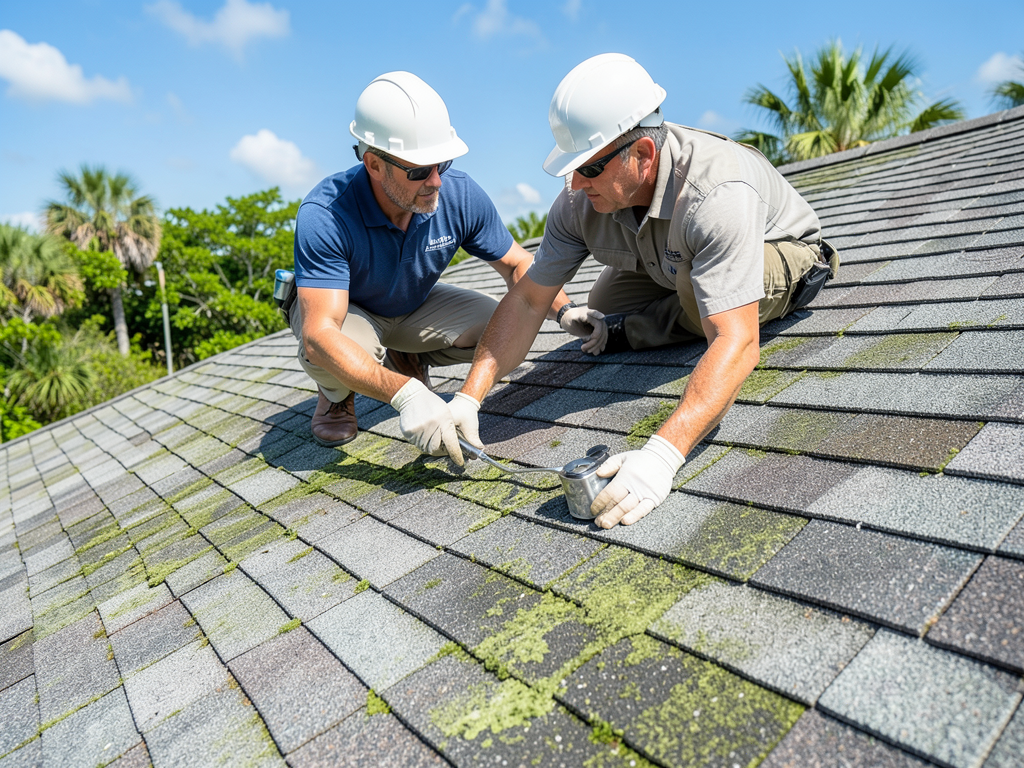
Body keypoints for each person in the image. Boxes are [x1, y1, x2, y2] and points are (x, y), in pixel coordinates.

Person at [446, 53, 838, 527]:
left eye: (588, 168)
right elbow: (530, 298)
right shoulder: (578, 199)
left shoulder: (716, 191)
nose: (575, 182)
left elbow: (737, 341)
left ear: (644, 155)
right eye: (571, 167)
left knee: (697, 292)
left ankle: (662, 316)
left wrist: (662, 454)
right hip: (678, 257)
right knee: (603, 305)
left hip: (784, 253)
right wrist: (469, 396)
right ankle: (659, 312)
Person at [289, 71, 575, 462]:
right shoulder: (325, 214)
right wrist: (406, 395)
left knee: (506, 326)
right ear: (374, 164)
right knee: (336, 350)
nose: (437, 181)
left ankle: (407, 356)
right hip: (349, 312)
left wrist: (567, 312)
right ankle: (336, 395)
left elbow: (517, 265)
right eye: (420, 171)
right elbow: (319, 333)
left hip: (412, 304)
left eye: (442, 163)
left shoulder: (459, 193)